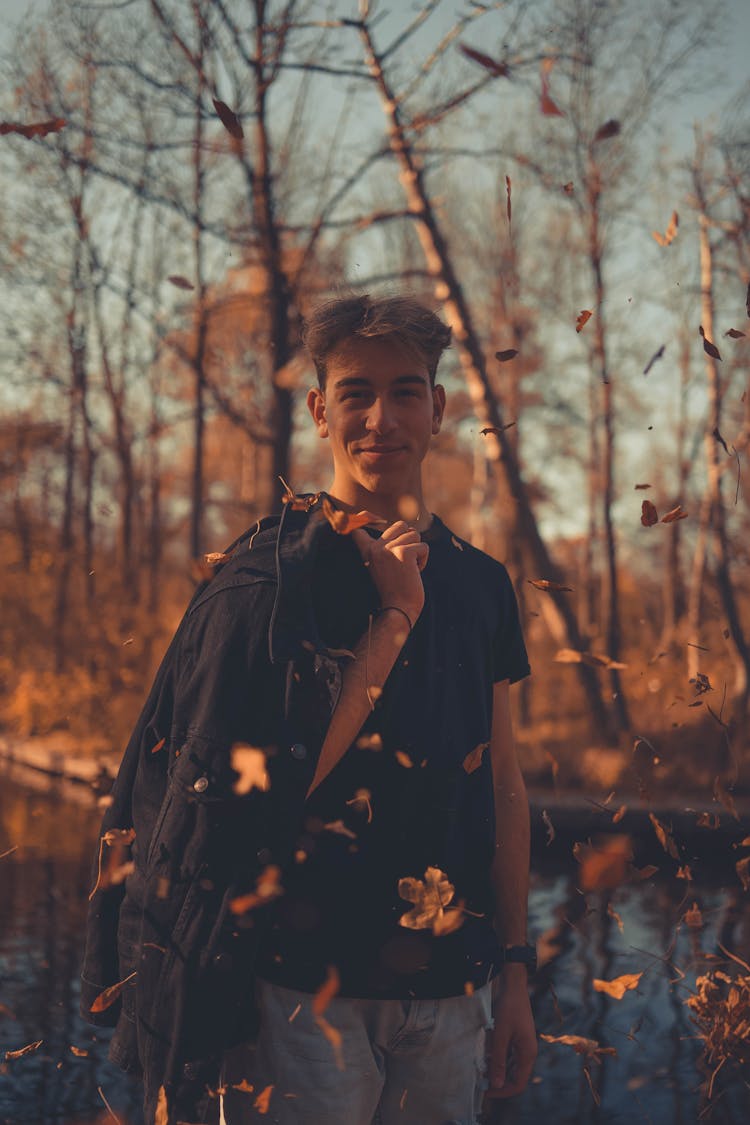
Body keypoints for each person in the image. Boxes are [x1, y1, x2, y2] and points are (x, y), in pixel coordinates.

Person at [80, 294, 537, 1125]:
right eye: (355, 392)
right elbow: (255, 793)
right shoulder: (269, 580)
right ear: (321, 410)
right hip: (297, 993)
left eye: (406, 390)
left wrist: (513, 969)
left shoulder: (482, 583)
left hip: (453, 992)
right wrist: (394, 619)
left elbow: (501, 783)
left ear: (439, 408)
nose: (380, 417)